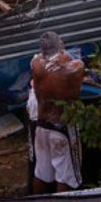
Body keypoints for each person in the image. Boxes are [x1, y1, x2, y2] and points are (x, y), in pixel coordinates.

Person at [30, 32, 85, 193]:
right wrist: (62, 58)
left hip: (41, 127)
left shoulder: (35, 64)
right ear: (60, 48)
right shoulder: (75, 68)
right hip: (61, 128)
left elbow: (45, 62)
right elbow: (76, 66)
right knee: (65, 176)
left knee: (42, 173)